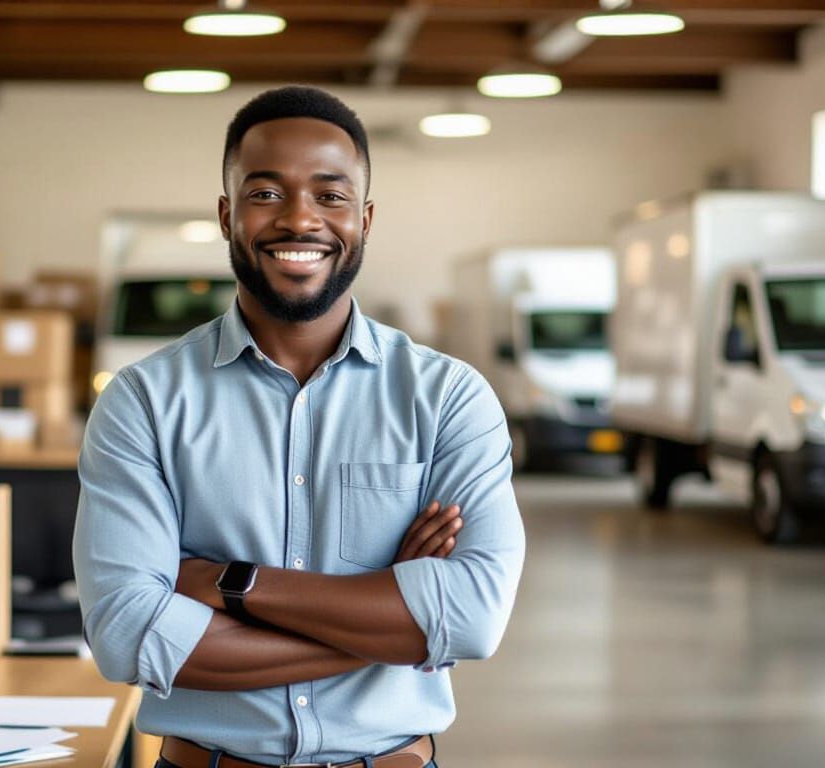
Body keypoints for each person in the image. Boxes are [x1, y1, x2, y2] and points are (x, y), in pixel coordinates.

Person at [73, 85, 525, 768]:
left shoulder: (449, 398)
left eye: (330, 195)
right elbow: (130, 635)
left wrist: (234, 584)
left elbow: (469, 619)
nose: (299, 219)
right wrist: (389, 621)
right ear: (227, 216)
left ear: (365, 218)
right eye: (265, 194)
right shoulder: (143, 401)